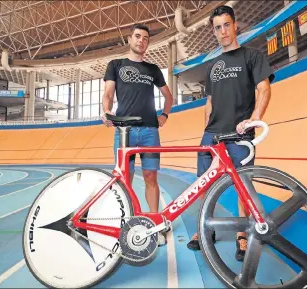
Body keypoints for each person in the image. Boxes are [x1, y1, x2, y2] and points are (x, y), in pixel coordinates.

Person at [186, 5, 275, 261]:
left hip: (239, 134)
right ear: (213, 32)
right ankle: (205, 230)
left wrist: (254, 120)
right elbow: (210, 103)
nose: (223, 31)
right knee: (203, 184)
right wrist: (206, 130)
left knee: (243, 187)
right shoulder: (213, 66)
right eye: (217, 28)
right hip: (212, 134)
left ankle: (242, 234)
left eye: (226, 25)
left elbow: (264, 89)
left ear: (235, 25)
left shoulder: (252, 57)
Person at [101, 23, 174, 246]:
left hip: (150, 131)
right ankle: (128, 221)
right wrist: (106, 112)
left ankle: (154, 222)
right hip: (125, 132)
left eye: (145, 38)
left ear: (147, 43)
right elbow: (108, 94)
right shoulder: (116, 65)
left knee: (151, 178)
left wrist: (164, 115)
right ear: (129, 39)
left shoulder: (153, 70)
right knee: (125, 180)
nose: (141, 40)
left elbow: (168, 97)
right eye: (137, 36)